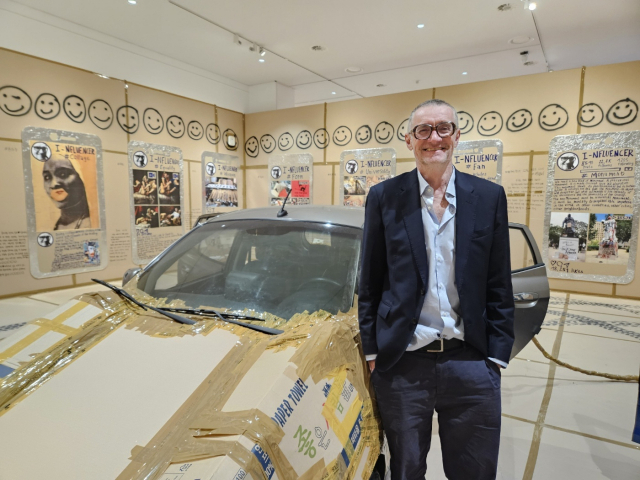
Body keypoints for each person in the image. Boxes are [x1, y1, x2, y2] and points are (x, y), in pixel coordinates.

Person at [358, 99, 514, 479]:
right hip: (404, 360)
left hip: (472, 359)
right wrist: (373, 350)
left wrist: (497, 356)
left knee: (474, 470)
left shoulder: (488, 197)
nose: (434, 138)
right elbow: (370, 280)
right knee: (407, 468)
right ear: (410, 140)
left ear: (456, 136)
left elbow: (498, 280)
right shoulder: (384, 197)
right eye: (423, 130)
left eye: (443, 128)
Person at [42, 158, 91, 230]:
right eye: (47, 177)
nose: (53, 184)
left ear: (81, 177)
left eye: (63, 174)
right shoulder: (53, 225)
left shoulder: (92, 222)